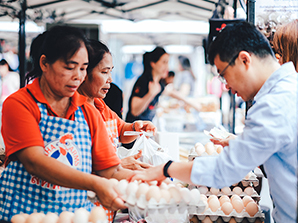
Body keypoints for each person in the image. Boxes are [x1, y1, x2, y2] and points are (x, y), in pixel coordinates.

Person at [130, 21, 298, 223]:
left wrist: (166, 168)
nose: (227, 87)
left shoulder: (273, 105)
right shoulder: (289, 89)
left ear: (244, 60)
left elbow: (224, 171)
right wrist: (240, 144)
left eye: (224, 74)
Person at [0, 25, 131, 221]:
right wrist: (96, 184)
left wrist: (164, 172)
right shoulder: (20, 104)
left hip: (72, 215)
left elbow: (112, 170)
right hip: (23, 213)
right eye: (70, 67)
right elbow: (35, 161)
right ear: (44, 63)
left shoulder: (88, 112)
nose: (78, 76)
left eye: (83, 68)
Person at [77, 39, 154, 171]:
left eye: (110, 71)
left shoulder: (99, 104)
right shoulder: (76, 111)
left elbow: (121, 130)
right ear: (84, 72)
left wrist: (136, 128)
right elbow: (78, 163)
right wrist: (120, 164)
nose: (110, 79)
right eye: (104, 72)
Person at [125, 47, 169, 123]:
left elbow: (170, 92)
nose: (167, 67)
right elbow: (134, 111)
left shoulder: (160, 83)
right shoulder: (143, 81)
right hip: (134, 130)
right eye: (164, 62)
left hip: (146, 129)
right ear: (153, 64)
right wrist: (150, 94)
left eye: (167, 62)